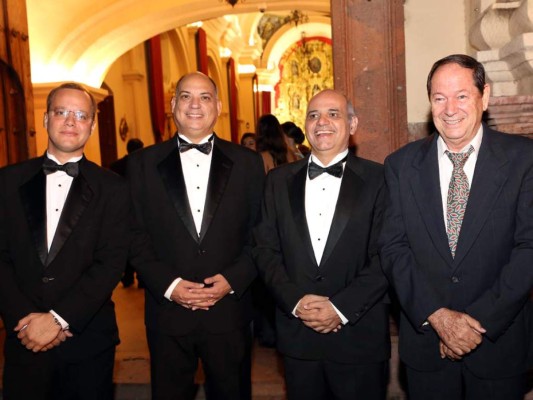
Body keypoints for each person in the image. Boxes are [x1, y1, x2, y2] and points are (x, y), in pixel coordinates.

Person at [379, 54, 533, 399]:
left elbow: (529, 249)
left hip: (499, 346)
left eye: (461, 95)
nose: (450, 108)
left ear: (485, 97)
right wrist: (438, 318)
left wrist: (474, 325)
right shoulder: (400, 166)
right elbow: (393, 248)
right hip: (426, 348)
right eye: (439, 98)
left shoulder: (525, 160)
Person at [128, 72, 264, 400]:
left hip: (229, 312)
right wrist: (170, 286)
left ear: (218, 106)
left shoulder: (248, 163)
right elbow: (133, 234)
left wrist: (233, 280)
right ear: (173, 105)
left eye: (204, 97)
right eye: (186, 96)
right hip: (168, 314)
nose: (194, 104)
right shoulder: (142, 163)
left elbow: (262, 233)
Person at [254, 89, 390, 400]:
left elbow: (387, 255)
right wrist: (295, 302)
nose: (322, 122)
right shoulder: (277, 180)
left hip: (359, 338)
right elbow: (264, 249)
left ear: (352, 124)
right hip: (297, 337)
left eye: (333, 114)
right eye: (313, 115)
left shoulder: (381, 179)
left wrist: (339, 308)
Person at [0, 82, 129, 399]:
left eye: (81, 115)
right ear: (45, 119)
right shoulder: (6, 181)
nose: (71, 121)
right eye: (61, 112)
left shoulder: (113, 188)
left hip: (87, 340)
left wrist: (58, 319)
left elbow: (111, 263)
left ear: (92, 125)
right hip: (23, 337)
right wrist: (26, 323)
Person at [110, 137, 144, 288]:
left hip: (123, 211)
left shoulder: (116, 166)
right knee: (143, 244)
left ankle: (128, 277)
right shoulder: (147, 165)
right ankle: (143, 279)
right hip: (143, 210)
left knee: (127, 245)